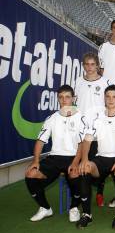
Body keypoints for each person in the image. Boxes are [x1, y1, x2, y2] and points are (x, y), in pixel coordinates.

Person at [77, 85, 115, 229]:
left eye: (114, 97)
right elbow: (87, 140)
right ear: (104, 98)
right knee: (85, 169)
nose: (111, 99)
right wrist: (84, 160)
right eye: (108, 96)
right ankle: (87, 214)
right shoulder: (97, 117)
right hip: (101, 159)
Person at [25, 85, 84, 223]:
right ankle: (45, 208)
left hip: (75, 157)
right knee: (30, 174)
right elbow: (40, 141)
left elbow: (83, 144)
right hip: (55, 158)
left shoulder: (81, 117)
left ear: (73, 99)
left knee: (75, 174)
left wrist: (76, 162)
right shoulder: (52, 118)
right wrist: (36, 161)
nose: (64, 100)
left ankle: (74, 208)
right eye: (61, 97)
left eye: (67, 97)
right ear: (58, 99)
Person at [74, 53, 109, 207]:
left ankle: (100, 191)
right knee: (81, 164)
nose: (89, 67)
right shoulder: (77, 82)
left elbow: (110, 105)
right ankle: (81, 198)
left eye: (92, 64)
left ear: (97, 66)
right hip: (80, 132)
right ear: (83, 66)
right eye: (86, 64)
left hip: (98, 133)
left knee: (96, 165)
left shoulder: (105, 83)